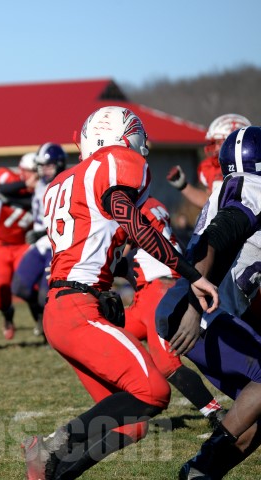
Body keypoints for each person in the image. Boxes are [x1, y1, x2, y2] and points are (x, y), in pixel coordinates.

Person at [22, 106, 220, 480]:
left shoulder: (64, 181)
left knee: (132, 424)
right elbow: (129, 218)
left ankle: (55, 473)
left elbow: (93, 244)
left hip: (64, 308)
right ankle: (52, 444)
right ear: (121, 139)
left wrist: (116, 277)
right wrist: (190, 273)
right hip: (78, 307)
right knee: (154, 391)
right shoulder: (113, 164)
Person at [156, 126, 261, 479]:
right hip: (199, 310)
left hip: (206, 310)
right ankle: (206, 458)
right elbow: (211, 243)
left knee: (256, 411)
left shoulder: (229, 188)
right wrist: (194, 306)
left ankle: (201, 473)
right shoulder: (253, 190)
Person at [120, 196, 224, 428]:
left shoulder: (131, 207)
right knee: (111, 340)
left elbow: (117, 251)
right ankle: (122, 407)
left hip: (157, 290)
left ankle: (216, 414)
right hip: (148, 293)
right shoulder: (152, 203)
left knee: (167, 363)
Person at [11, 143, 67, 340]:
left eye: (49, 166)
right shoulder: (40, 183)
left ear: (59, 165)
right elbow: (2, 190)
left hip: (56, 245)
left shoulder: (66, 184)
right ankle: (41, 321)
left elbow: (67, 219)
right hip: (39, 244)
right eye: (42, 166)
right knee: (20, 287)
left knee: (47, 296)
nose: (45, 170)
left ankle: (53, 334)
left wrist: (42, 232)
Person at [0, 152, 38, 339]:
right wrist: (24, 185)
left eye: (35, 171)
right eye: (29, 171)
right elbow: (0, 189)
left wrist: (9, 200)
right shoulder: (8, 176)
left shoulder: (42, 188)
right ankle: (8, 316)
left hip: (23, 245)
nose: (33, 175)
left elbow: (34, 203)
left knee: (29, 287)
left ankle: (40, 323)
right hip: (0, 245)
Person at [167, 113, 251, 208]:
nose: (216, 148)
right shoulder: (211, 167)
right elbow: (209, 203)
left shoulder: (253, 167)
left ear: (237, 142)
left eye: (219, 142)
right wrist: (183, 186)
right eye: (214, 143)